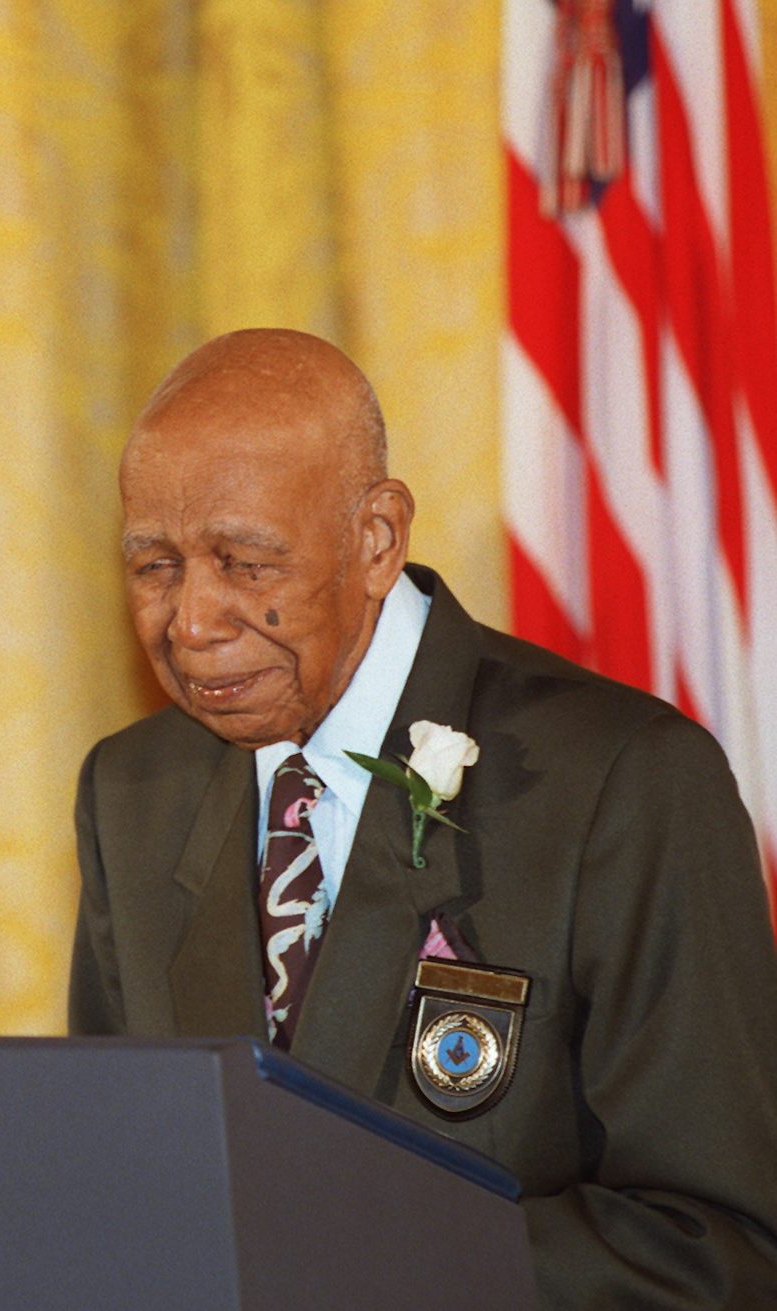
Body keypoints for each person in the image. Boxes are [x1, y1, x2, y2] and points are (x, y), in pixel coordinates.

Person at [69, 328, 777, 1305]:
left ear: (376, 538)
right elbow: (112, 1187)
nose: (191, 622)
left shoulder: (621, 781)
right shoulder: (133, 793)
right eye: (154, 567)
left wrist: (363, 1267)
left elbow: (719, 1246)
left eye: (244, 564)